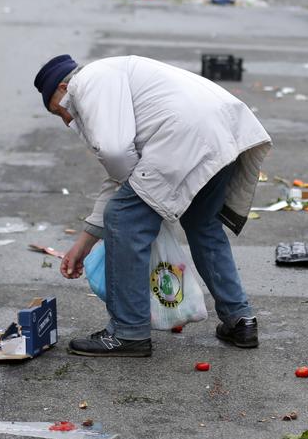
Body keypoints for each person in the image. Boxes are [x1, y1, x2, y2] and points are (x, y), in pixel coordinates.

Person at [34, 54, 271, 357]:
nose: (67, 120)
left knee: (123, 217)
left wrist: (137, 198)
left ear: (65, 86)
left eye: (60, 111)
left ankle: (128, 331)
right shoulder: (114, 75)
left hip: (185, 136)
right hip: (221, 129)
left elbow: (115, 152)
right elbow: (119, 175)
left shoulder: (88, 82)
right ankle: (240, 318)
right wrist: (84, 242)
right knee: (203, 223)